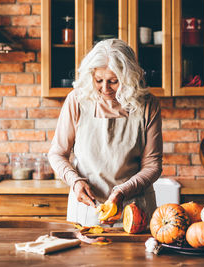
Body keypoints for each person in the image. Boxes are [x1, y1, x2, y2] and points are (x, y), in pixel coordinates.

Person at [48, 39, 162, 227]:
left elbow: (152, 165)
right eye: (99, 80)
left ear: (129, 78)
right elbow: (57, 153)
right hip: (87, 208)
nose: (105, 88)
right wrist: (75, 181)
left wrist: (122, 192)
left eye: (114, 81)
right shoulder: (77, 100)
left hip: (134, 208)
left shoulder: (148, 104)